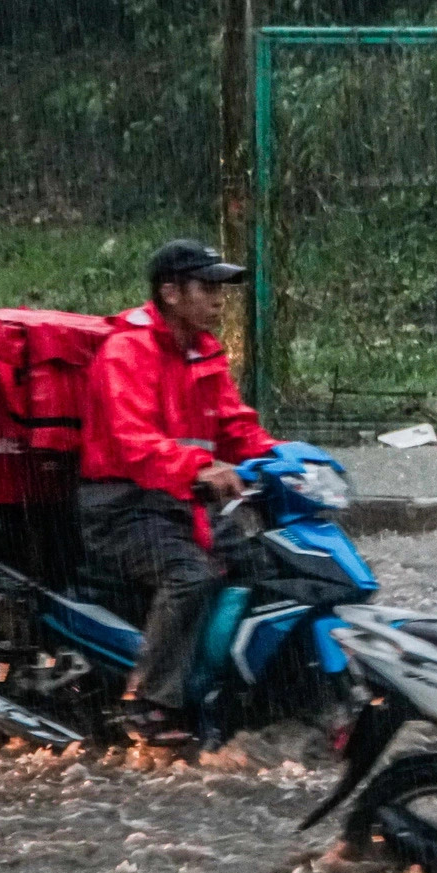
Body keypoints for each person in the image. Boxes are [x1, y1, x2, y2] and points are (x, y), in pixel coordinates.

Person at [77, 238, 277, 740]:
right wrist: (199, 468)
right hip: (124, 507)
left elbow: (236, 426)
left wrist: (282, 458)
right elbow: (134, 440)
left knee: (267, 563)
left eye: (220, 287)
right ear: (170, 292)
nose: (219, 298)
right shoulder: (128, 351)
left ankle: (243, 685)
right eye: (207, 286)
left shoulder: (203, 352)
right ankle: (148, 700)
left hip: (180, 501)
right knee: (191, 577)